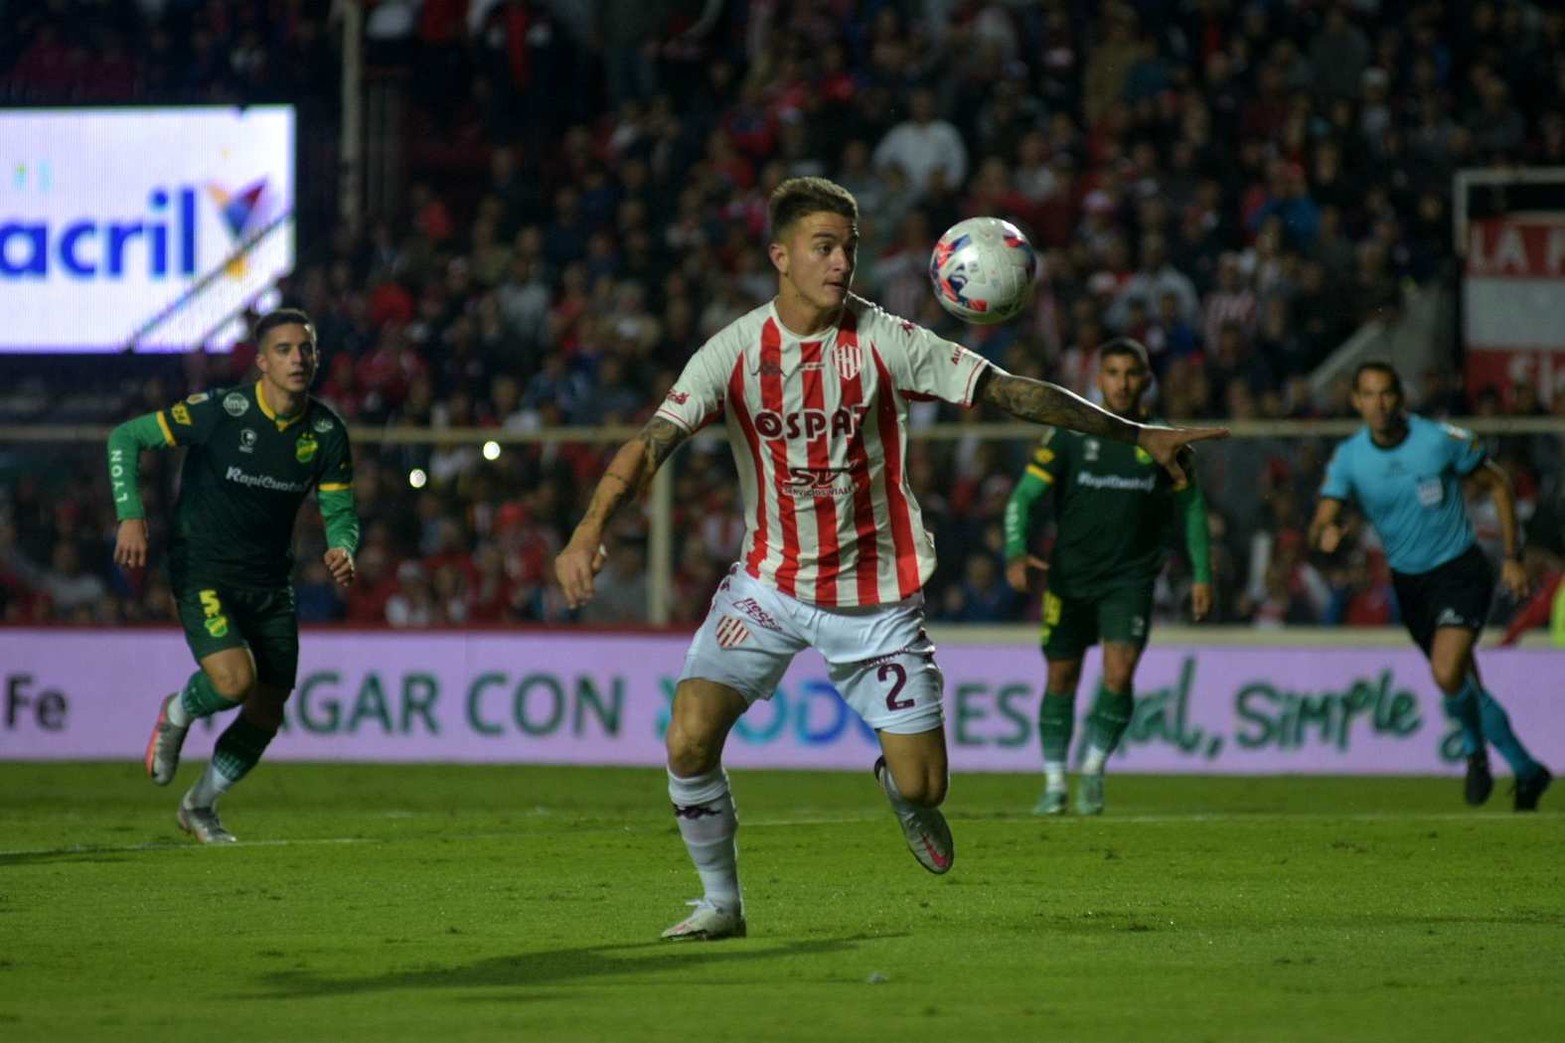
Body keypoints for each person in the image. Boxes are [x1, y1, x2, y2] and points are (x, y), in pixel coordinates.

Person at [554, 177, 1226, 941]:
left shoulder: (885, 340)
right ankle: (721, 902)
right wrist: (587, 528)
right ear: (780, 256)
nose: (841, 263)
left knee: (925, 783)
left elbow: (1009, 393)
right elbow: (651, 444)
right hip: (767, 586)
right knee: (687, 736)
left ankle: (899, 790)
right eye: (823, 247)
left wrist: (1137, 435)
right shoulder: (734, 351)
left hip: (875, 601)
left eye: (849, 247)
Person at [108, 308, 360, 843]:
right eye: (286, 350)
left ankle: (199, 806)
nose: (298, 358)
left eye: (306, 349)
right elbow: (126, 438)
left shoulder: (326, 432)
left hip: (270, 582)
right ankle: (177, 711)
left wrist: (343, 545)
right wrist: (131, 515)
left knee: (267, 709)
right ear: (261, 362)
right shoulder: (222, 411)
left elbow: (339, 510)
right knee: (234, 681)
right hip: (204, 568)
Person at [1308, 362, 1550, 811]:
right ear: (1356, 402)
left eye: (1387, 394)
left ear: (1401, 397)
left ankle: (1476, 751)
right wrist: (1326, 530)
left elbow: (1498, 484)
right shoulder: (1350, 457)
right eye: (1369, 395)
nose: (1379, 405)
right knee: (1458, 679)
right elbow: (1324, 516)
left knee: (1445, 671)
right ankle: (1525, 769)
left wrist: (1514, 558)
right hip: (1411, 584)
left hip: (1460, 570)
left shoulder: (1437, 441)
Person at [1003, 338, 1213, 816]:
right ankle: (1055, 782)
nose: (1122, 383)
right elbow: (1022, 499)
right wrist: (1016, 552)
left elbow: (1193, 507)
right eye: (1112, 373)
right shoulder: (1070, 434)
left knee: (1118, 675)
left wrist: (1203, 573)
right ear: (1098, 380)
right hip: (1070, 578)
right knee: (1062, 677)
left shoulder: (1163, 439)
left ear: (1146, 380)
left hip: (1130, 580)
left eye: (1131, 373)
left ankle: (1093, 769)